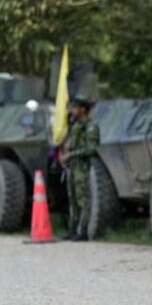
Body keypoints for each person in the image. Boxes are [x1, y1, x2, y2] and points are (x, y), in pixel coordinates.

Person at [61, 96, 100, 241]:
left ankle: (83, 231)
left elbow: (91, 149)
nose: (72, 111)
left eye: (75, 108)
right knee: (73, 199)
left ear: (83, 109)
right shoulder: (76, 127)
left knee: (83, 200)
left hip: (82, 167)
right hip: (73, 167)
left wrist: (71, 154)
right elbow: (71, 144)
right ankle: (72, 228)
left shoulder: (91, 127)